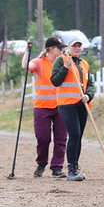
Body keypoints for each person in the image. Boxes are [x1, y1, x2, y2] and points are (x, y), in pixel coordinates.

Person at [50, 38, 95, 181]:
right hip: (66, 104)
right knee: (74, 134)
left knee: (79, 136)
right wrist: (66, 67)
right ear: (68, 47)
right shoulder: (61, 60)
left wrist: (89, 95)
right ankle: (71, 171)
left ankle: (75, 167)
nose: (77, 48)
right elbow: (55, 81)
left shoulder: (84, 64)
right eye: (74, 46)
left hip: (82, 105)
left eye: (79, 46)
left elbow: (91, 84)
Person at [23, 36, 68, 178]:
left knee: (61, 139)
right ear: (50, 49)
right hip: (42, 106)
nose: (61, 50)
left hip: (61, 105)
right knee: (43, 137)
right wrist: (27, 49)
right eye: (59, 48)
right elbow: (25, 66)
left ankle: (57, 167)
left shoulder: (64, 62)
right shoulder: (39, 62)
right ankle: (41, 163)